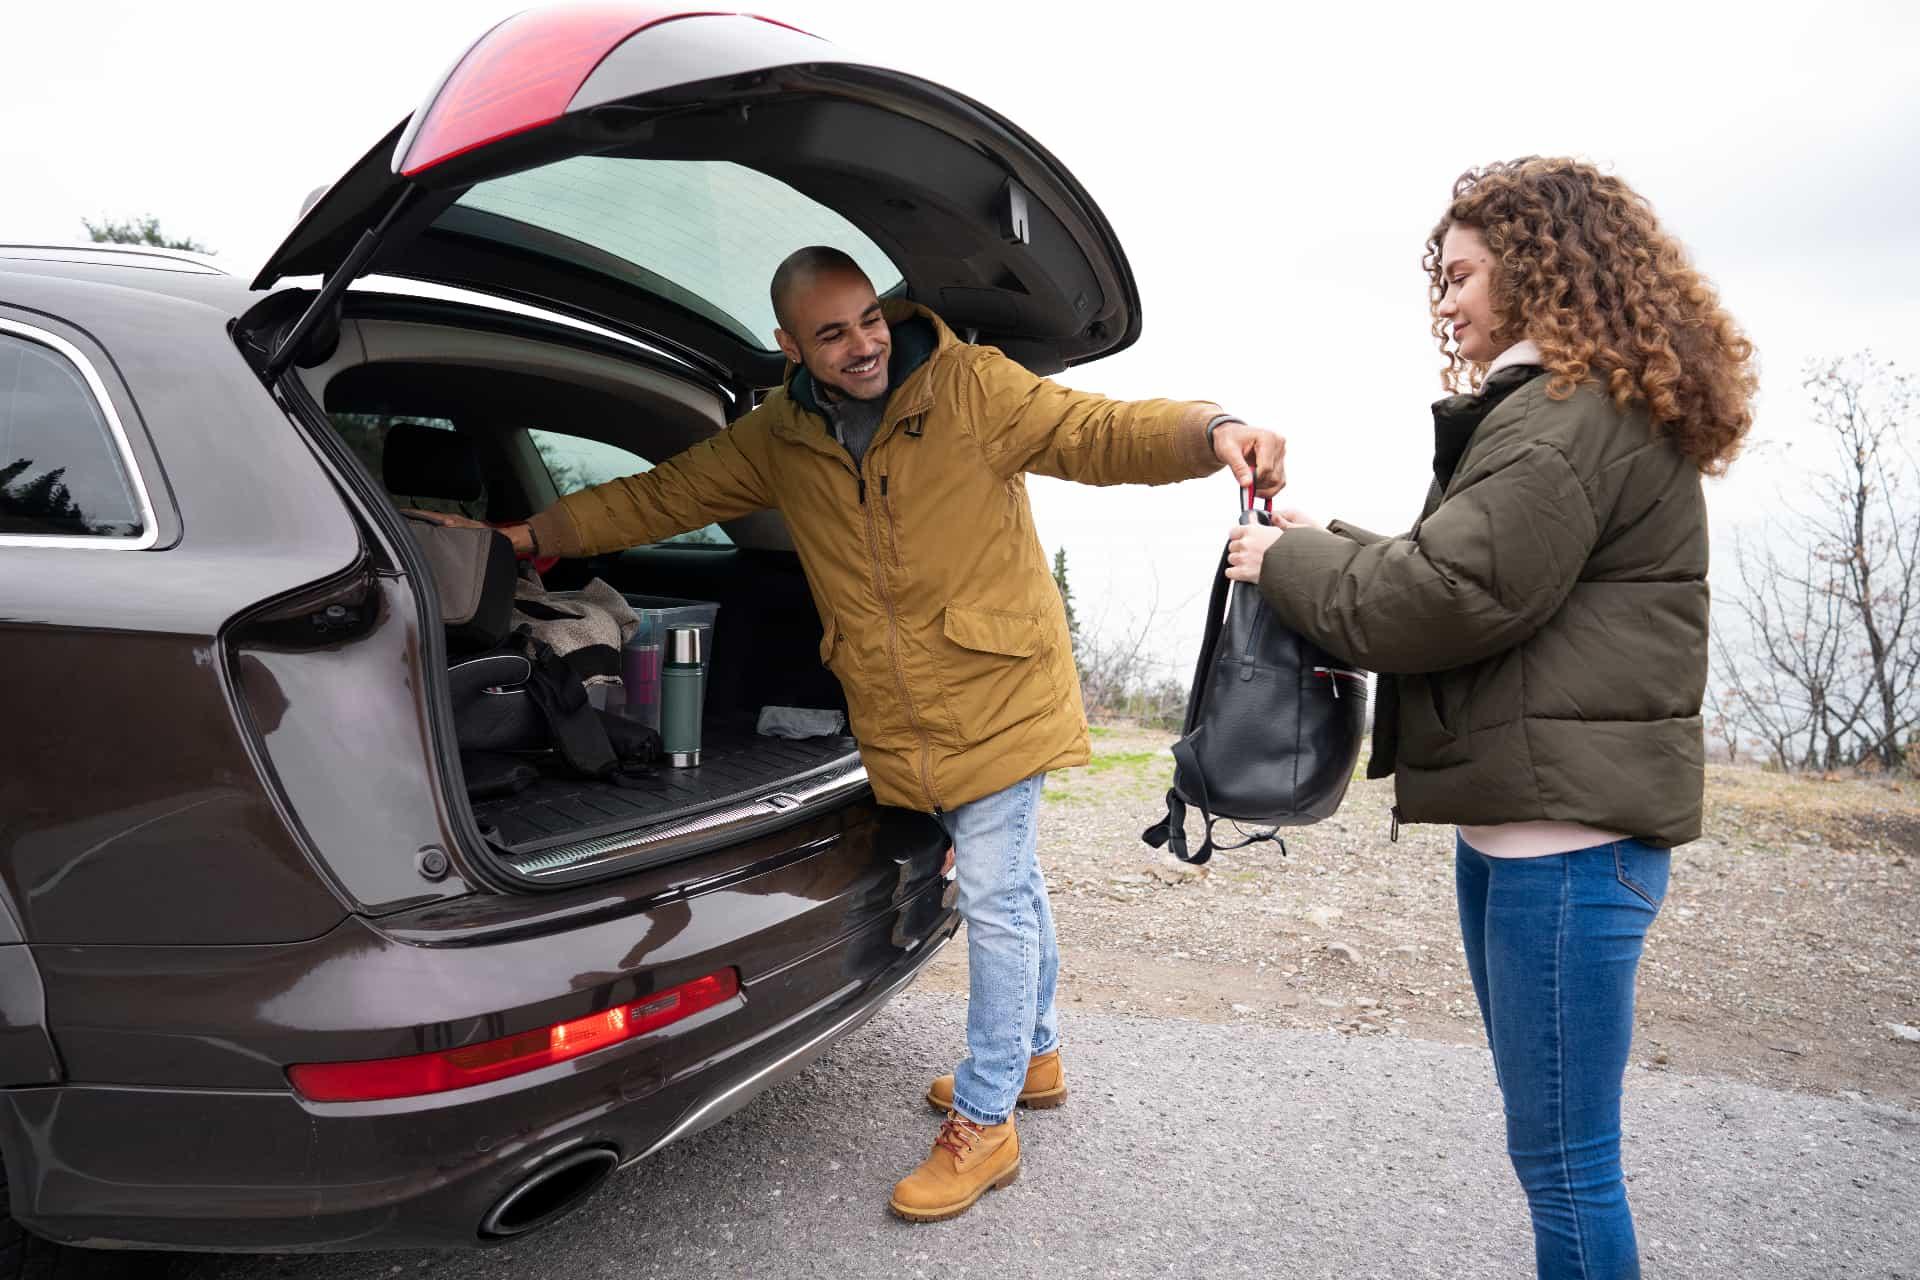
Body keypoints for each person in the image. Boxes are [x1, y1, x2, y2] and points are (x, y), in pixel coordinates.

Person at [417, 246, 1285, 1222]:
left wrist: (1211, 429)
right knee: (1016, 880)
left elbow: (1100, 431)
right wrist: (531, 538)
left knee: (996, 892)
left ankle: (989, 1116)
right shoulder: (782, 434)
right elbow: (663, 495)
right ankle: (1033, 1056)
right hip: (907, 708)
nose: (863, 343)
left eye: (867, 318)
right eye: (832, 333)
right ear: (791, 345)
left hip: (999, 685)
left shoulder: (971, 386)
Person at [1225, 158, 1755, 1278]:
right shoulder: (1567, 408)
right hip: (1535, 832)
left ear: (1538, 270)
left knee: (1567, 1164)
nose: (1447, 299)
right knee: (1557, 1153)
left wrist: (1287, 563)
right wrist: (1325, 540)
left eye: (1463, 274)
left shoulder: (1563, 416)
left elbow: (1454, 598)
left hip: (1562, 847)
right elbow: (1474, 575)